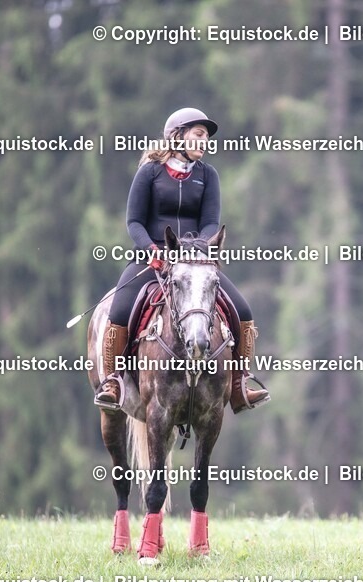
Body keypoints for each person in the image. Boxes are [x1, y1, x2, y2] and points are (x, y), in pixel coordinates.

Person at [95, 107, 270, 413]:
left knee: (242, 310)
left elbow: (211, 222)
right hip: (152, 259)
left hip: (195, 262)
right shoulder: (149, 172)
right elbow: (134, 222)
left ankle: (239, 384)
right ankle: (113, 381)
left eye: (206, 137)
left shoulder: (208, 175)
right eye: (198, 134)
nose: (205, 141)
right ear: (177, 136)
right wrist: (152, 250)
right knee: (119, 310)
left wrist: (197, 249)